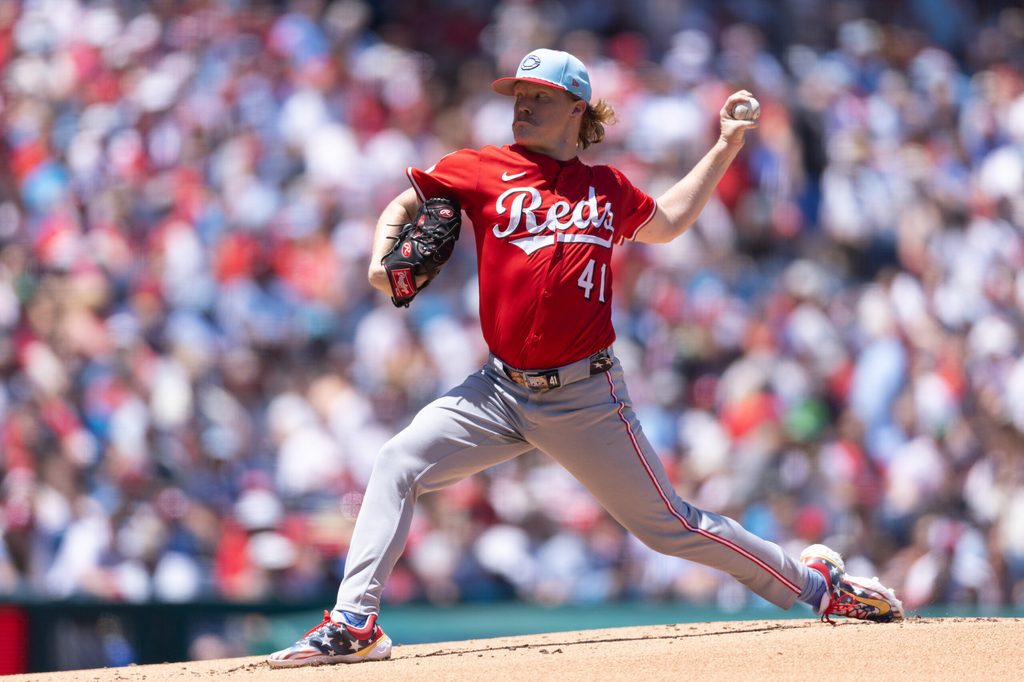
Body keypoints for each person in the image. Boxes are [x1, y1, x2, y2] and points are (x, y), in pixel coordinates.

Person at [267, 48, 904, 668]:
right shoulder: (482, 167)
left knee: (670, 527)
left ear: (577, 109)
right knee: (397, 461)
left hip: (585, 395)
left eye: (539, 97)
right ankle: (353, 623)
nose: (522, 106)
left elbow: (668, 221)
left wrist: (726, 145)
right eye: (518, 96)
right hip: (498, 392)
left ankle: (819, 586)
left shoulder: (605, 187)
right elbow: (409, 202)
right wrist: (382, 263)